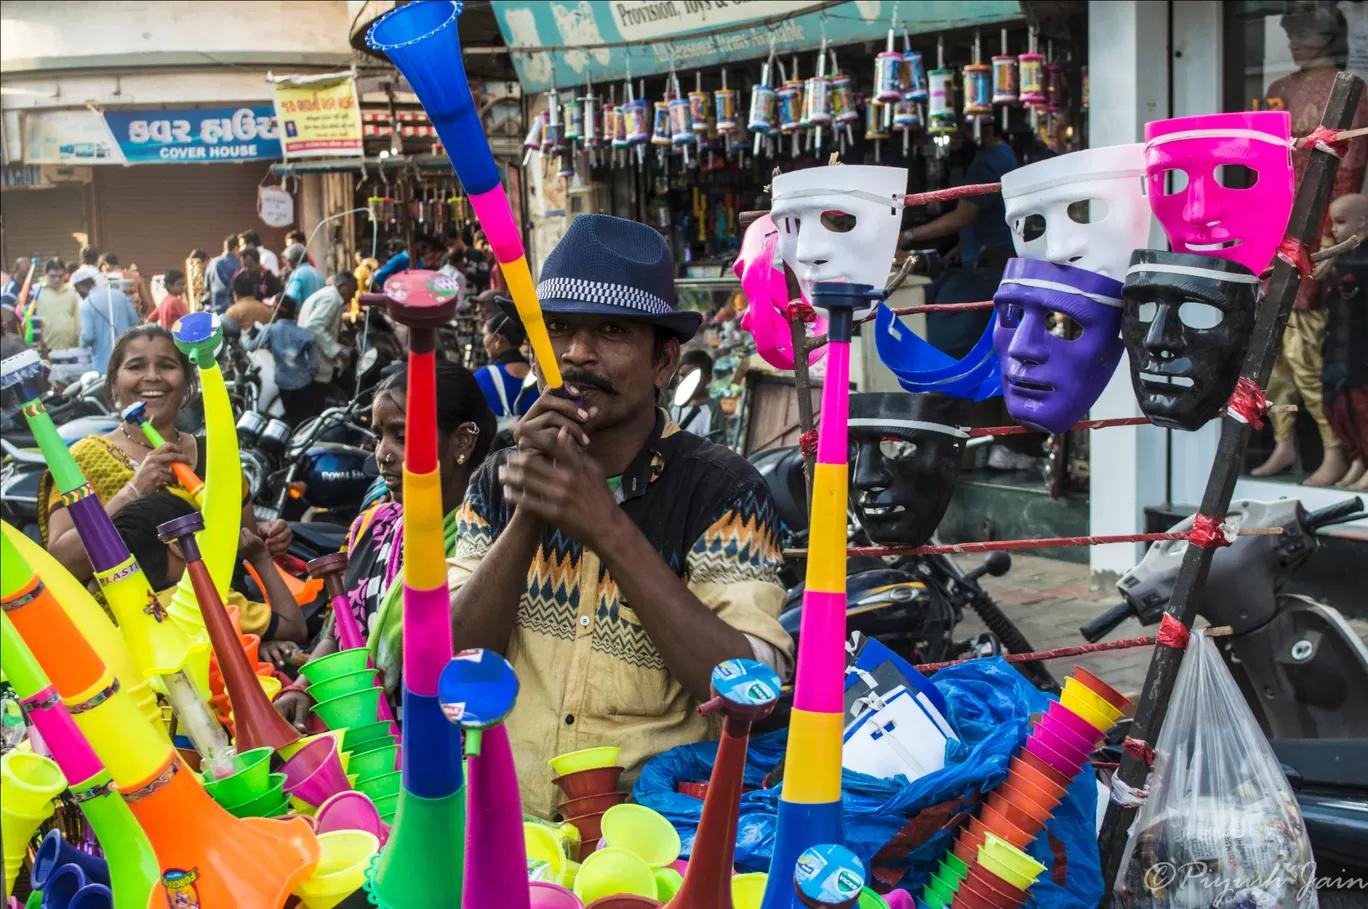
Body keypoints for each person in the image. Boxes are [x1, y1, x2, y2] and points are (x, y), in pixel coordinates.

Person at [447, 214, 792, 819]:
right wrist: (531, 509)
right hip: (510, 831)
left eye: (611, 331)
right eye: (558, 329)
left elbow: (748, 689)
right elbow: (454, 658)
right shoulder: (497, 480)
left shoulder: (721, 491)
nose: (578, 353)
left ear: (664, 362)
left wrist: (605, 527)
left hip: (655, 846)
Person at [273, 362, 496, 727]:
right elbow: (337, 630)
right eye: (379, 436)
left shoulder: (485, 543)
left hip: (449, 750)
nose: (383, 453)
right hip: (363, 746)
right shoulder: (373, 525)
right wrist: (301, 685)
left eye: (402, 436)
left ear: (462, 441)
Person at [40, 324, 291, 582]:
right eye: (136, 366)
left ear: (188, 380)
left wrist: (266, 538)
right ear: (114, 381)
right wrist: (133, 491)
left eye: (167, 365)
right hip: (127, 619)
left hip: (225, 613)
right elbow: (62, 564)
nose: (152, 376)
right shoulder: (82, 460)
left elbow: (242, 549)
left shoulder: (217, 454)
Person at [111, 491, 307, 657]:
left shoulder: (132, 611)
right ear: (180, 546)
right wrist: (260, 557)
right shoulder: (209, 599)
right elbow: (295, 628)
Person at [901, 121, 1018, 268]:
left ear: (986, 127)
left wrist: (908, 235)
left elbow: (961, 218)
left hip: (987, 259)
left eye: (968, 129)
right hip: (997, 250)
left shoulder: (986, 165)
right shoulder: (1004, 152)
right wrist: (962, 246)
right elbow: (988, 209)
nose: (963, 135)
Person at [1320, 193, 1368, 490]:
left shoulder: (1361, 262)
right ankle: (1358, 459)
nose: (1334, 230)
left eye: (1340, 222)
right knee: (1338, 406)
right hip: (1340, 346)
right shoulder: (1340, 259)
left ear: (1361, 222)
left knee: (1362, 408)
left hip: (1360, 351)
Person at [250, 299, 318, 427]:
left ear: (276, 312)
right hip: (304, 382)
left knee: (291, 418)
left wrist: (247, 335)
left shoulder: (271, 330)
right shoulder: (305, 334)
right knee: (306, 419)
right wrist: (310, 374)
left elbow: (252, 346)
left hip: (283, 382)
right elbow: (314, 365)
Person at [296, 271, 356, 399]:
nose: (351, 298)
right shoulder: (332, 299)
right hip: (316, 361)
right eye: (351, 293)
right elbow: (314, 326)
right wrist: (337, 351)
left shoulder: (326, 294)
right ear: (342, 286)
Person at [72, 264, 138, 374]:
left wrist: (81, 344)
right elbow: (135, 320)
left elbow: (88, 336)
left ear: (79, 287)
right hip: (127, 356)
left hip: (104, 364)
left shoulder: (86, 305)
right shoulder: (119, 295)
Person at [474, 313, 535, 422]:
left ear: (498, 339)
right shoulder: (538, 375)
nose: (484, 340)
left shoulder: (483, 377)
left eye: (485, 334)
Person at [669, 348, 722, 439]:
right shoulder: (673, 407)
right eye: (683, 375)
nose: (687, 381)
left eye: (694, 376)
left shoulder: (713, 407)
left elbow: (720, 440)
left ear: (708, 379)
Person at [33, 258, 81, 354]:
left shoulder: (72, 293)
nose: (57, 279)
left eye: (60, 276)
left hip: (69, 348)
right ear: (45, 275)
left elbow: (77, 318)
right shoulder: (35, 291)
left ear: (65, 275)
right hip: (44, 349)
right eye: (53, 276)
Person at [370, 235, 440, 290]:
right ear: (413, 245)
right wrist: (391, 290)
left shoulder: (420, 261)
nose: (425, 250)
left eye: (428, 248)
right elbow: (379, 276)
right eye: (423, 247)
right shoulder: (399, 259)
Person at [204, 234, 242, 313]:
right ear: (236, 248)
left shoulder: (212, 262)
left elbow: (206, 287)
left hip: (214, 308)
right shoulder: (238, 264)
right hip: (231, 309)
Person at [280, 244, 322, 311]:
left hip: (305, 315)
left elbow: (289, 299)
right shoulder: (318, 273)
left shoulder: (297, 274)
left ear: (293, 261)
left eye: (288, 260)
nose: (287, 263)